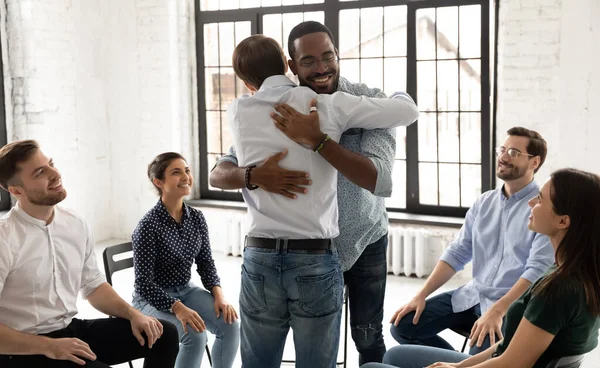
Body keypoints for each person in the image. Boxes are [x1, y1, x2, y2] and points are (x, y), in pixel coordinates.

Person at [210, 21, 399, 365]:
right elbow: (220, 173)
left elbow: (380, 179)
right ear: (291, 64)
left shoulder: (364, 101)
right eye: (309, 61)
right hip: (309, 252)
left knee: (367, 336)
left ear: (337, 54)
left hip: (363, 240)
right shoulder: (272, 109)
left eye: (328, 56)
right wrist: (252, 174)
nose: (322, 66)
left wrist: (319, 141)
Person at [362, 167, 600, 368]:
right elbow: (511, 346)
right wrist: (459, 365)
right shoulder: (570, 272)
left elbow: (513, 362)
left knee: (372, 366)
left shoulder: (557, 289)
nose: (531, 203)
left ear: (563, 221)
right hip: (488, 325)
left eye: (540, 199)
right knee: (394, 353)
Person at [0, 140, 179, 368]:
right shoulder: (4, 239)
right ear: (16, 191)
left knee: (164, 334)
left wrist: (134, 314)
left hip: (70, 331)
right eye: (40, 173)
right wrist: (49, 347)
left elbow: (93, 286)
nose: (55, 174)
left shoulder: (75, 223)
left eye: (51, 164)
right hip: (23, 351)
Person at [389, 127, 555, 354]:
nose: (503, 157)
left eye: (514, 152)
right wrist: (421, 295)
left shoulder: (543, 210)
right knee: (403, 326)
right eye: (502, 150)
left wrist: (497, 311)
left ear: (534, 162)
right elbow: (458, 252)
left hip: (510, 307)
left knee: (480, 360)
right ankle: (453, 361)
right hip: (473, 295)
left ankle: (461, 362)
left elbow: (536, 270)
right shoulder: (484, 203)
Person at [132, 152, 240, 368]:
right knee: (195, 334)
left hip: (186, 290)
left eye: (187, 171)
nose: (185, 176)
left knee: (230, 324)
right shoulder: (147, 227)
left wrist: (219, 296)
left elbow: (206, 262)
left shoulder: (196, 218)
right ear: (158, 182)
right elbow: (144, 284)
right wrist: (178, 308)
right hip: (151, 299)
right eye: (176, 172)